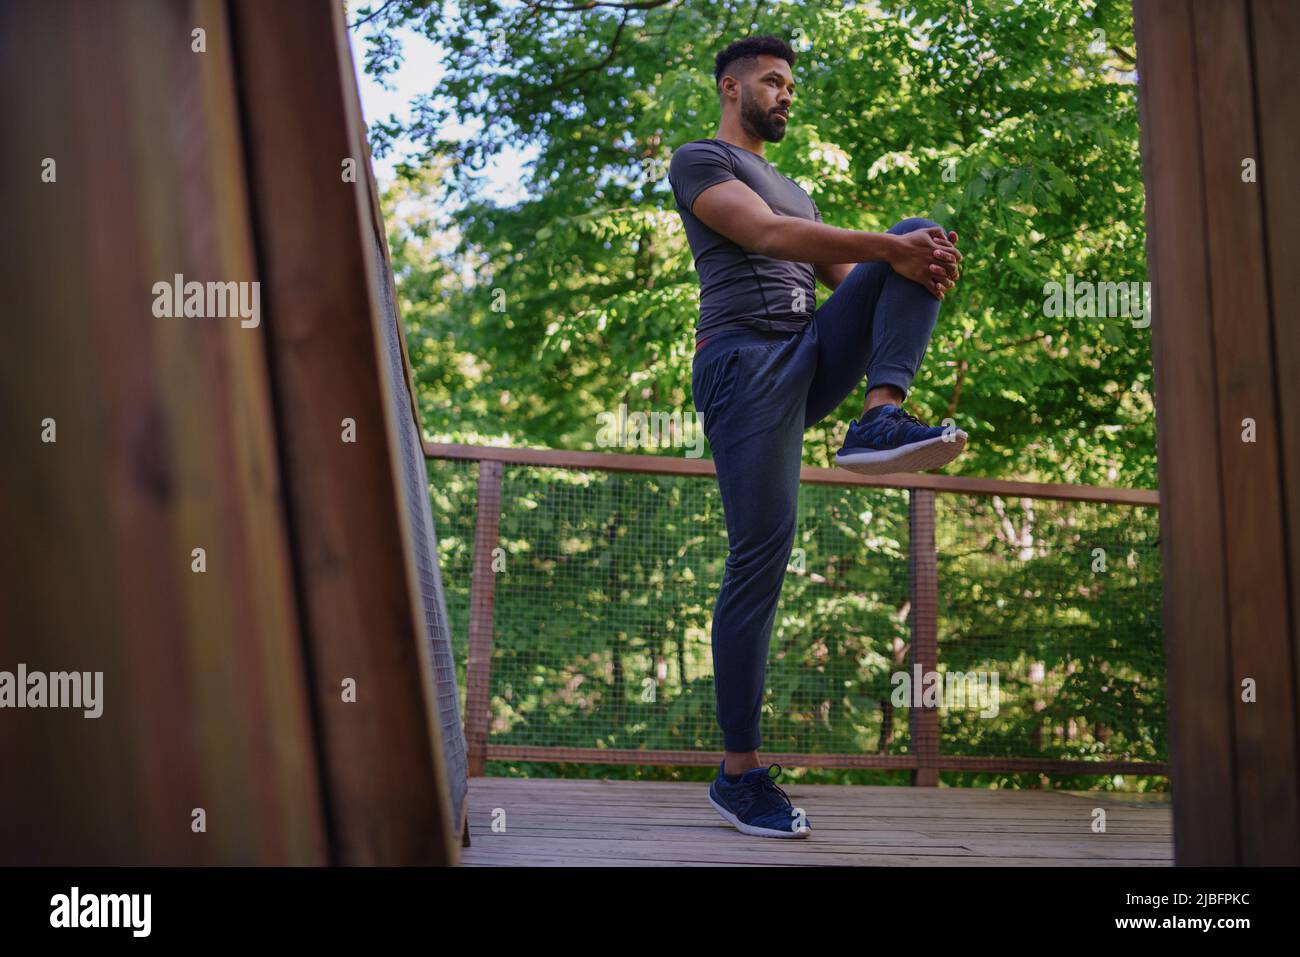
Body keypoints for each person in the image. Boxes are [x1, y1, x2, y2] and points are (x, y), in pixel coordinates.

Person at [667, 35, 967, 839]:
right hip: (744, 363)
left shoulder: (796, 188)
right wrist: (888, 252)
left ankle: (878, 416)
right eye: (772, 81)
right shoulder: (701, 160)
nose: (786, 93)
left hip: (806, 353)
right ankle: (739, 774)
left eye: (792, 83)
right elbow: (764, 238)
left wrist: (916, 266)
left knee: (919, 234)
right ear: (732, 88)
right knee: (758, 559)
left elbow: (852, 283)